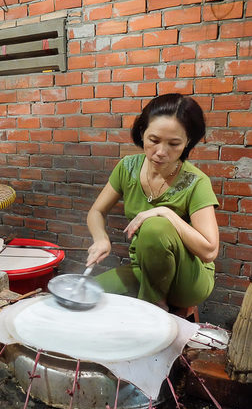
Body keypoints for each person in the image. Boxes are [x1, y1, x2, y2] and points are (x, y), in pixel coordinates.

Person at [86, 93, 220, 310]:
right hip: (146, 270)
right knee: (87, 293)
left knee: (155, 226)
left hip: (187, 279)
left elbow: (209, 252)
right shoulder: (128, 167)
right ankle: (150, 299)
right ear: (142, 132)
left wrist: (166, 213)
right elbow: (96, 212)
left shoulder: (196, 182)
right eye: (154, 140)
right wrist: (101, 239)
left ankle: (153, 306)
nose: (160, 152)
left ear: (188, 143)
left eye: (174, 144)